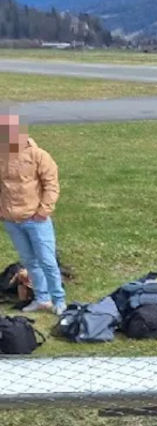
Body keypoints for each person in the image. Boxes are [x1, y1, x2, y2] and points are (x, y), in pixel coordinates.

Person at [1, 112, 65, 314]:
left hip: (36, 219)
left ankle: (58, 300)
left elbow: (51, 185)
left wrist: (43, 211)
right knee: (29, 262)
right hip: (12, 221)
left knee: (47, 261)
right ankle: (41, 298)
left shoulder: (39, 155)